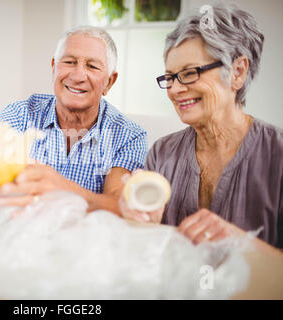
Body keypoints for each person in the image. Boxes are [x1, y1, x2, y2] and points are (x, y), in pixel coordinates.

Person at [0, 26, 147, 214]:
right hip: (19, 240)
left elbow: (122, 207)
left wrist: (63, 189)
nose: (77, 75)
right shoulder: (22, 114)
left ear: (110, 82)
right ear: (54, 67)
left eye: (92, 66)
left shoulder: (128, 135)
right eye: (69, 61)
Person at [120, 4, 282, 250]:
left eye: (190, 73)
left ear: (237, 72)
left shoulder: (277, 156)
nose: (174, 89)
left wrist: (244, 246)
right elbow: (147, 257)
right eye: (170, 77)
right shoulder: (161, 154)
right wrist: (140, 227)